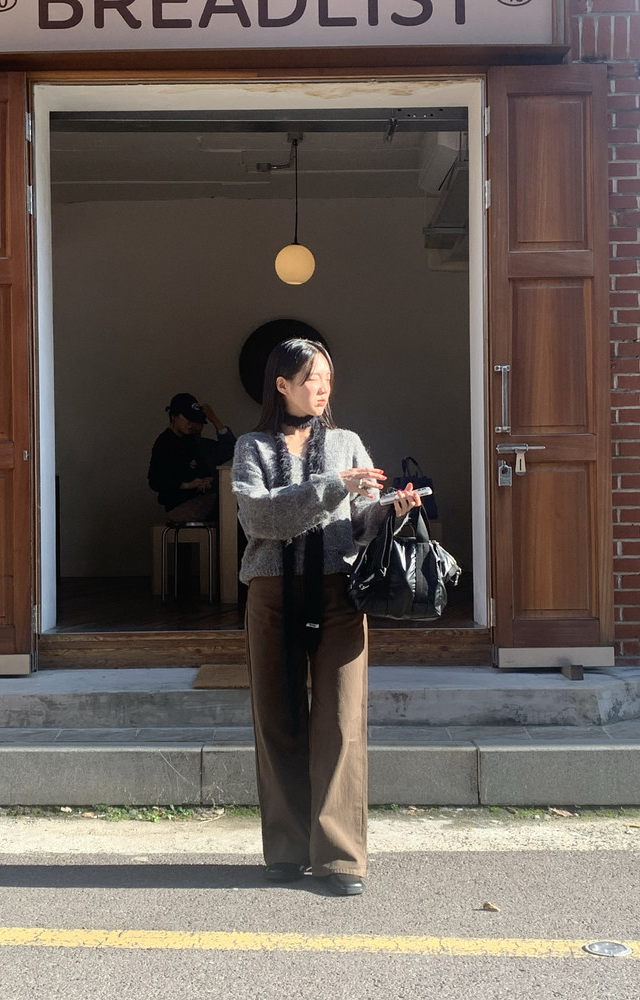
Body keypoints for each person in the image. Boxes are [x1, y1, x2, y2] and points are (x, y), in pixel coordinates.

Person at [231, 339, 421, 897]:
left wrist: (388, 511)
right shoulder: (251, 447)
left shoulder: (347, 442)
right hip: (272, 593)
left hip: (340, 593)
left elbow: (357, 525)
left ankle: (339, 857)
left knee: (341, 721)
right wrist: (335, 485)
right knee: (277, 718)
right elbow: (259, 518)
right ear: (282, 384)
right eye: (312, 378)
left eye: (328, 378)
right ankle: (286, 851)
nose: (323, 388)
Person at [148, 393, 235, 523]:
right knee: (231, 509)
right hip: (181, 504)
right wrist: (187, 485)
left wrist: (206, 480)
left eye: (194, 420)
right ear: (174, 416)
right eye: (187, 419)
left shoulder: (192, 442)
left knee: (233, 504)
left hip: (200, 499)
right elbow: (156, 480)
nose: (191, 424)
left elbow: (230, 451)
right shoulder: (165, 443)